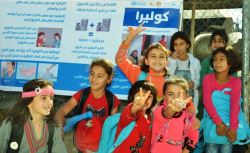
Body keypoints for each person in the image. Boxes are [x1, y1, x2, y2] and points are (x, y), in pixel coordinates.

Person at [54, 58, 120, 153]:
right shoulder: (81, 95)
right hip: (79, 145)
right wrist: (59, 130)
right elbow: (61, 112)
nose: (93, 79)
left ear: (109, 79)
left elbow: (114, 128)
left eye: (100, 76)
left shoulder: (113, 100)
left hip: (100, 147)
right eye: (91, 74)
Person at [0, 79, 67, 153]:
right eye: (43, 98)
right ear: (29, 102)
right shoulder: (11, 125)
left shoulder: (53, 129)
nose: (50, 102)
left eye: (51, 98)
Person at [202, 46, 242, 153]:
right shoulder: (208, 79)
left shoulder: (236, 82)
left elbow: (235, 106)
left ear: (230, 63)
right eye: (215, 59)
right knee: (211, 148)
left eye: (221, 59)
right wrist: (219, 124)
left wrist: (233, 128)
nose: (217, 62)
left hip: (229, 126)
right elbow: (207, 102)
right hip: (212, 124)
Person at [115, 24, 171, 101]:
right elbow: (120, 59)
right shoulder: (138, 73)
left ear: (166, 62)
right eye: (153, 56)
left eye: (161, 57)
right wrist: (129, 39)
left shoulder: (170, 81)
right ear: (146, 61)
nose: (157, 60)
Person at [106, 80, 157, 153]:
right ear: (132, 97)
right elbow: (129, 114)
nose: (144, 100)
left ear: (153, 100)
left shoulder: (151, 119)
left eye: (149, 97)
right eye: (140, 95)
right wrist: (133, 109)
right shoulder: (128, 114)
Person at [151, 77, 199, 153]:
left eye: (180, 94)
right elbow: (166, 113)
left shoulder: (189, 117)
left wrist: (185, 151)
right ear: (164, 97)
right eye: (171, 94)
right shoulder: (158, 110)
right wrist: (173, 108)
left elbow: (193, 137)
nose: (176, 98)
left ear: (186, 96)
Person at [168, 31, 201, 113]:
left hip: (190, 100)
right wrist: (172, 61)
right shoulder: (169, 61)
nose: (178, 47)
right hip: (173, 102)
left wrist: (193, 84)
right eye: (176, 45)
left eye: (181, 44)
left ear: (188, 45)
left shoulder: (195, 62)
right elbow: (167, 79)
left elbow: (198, 80)